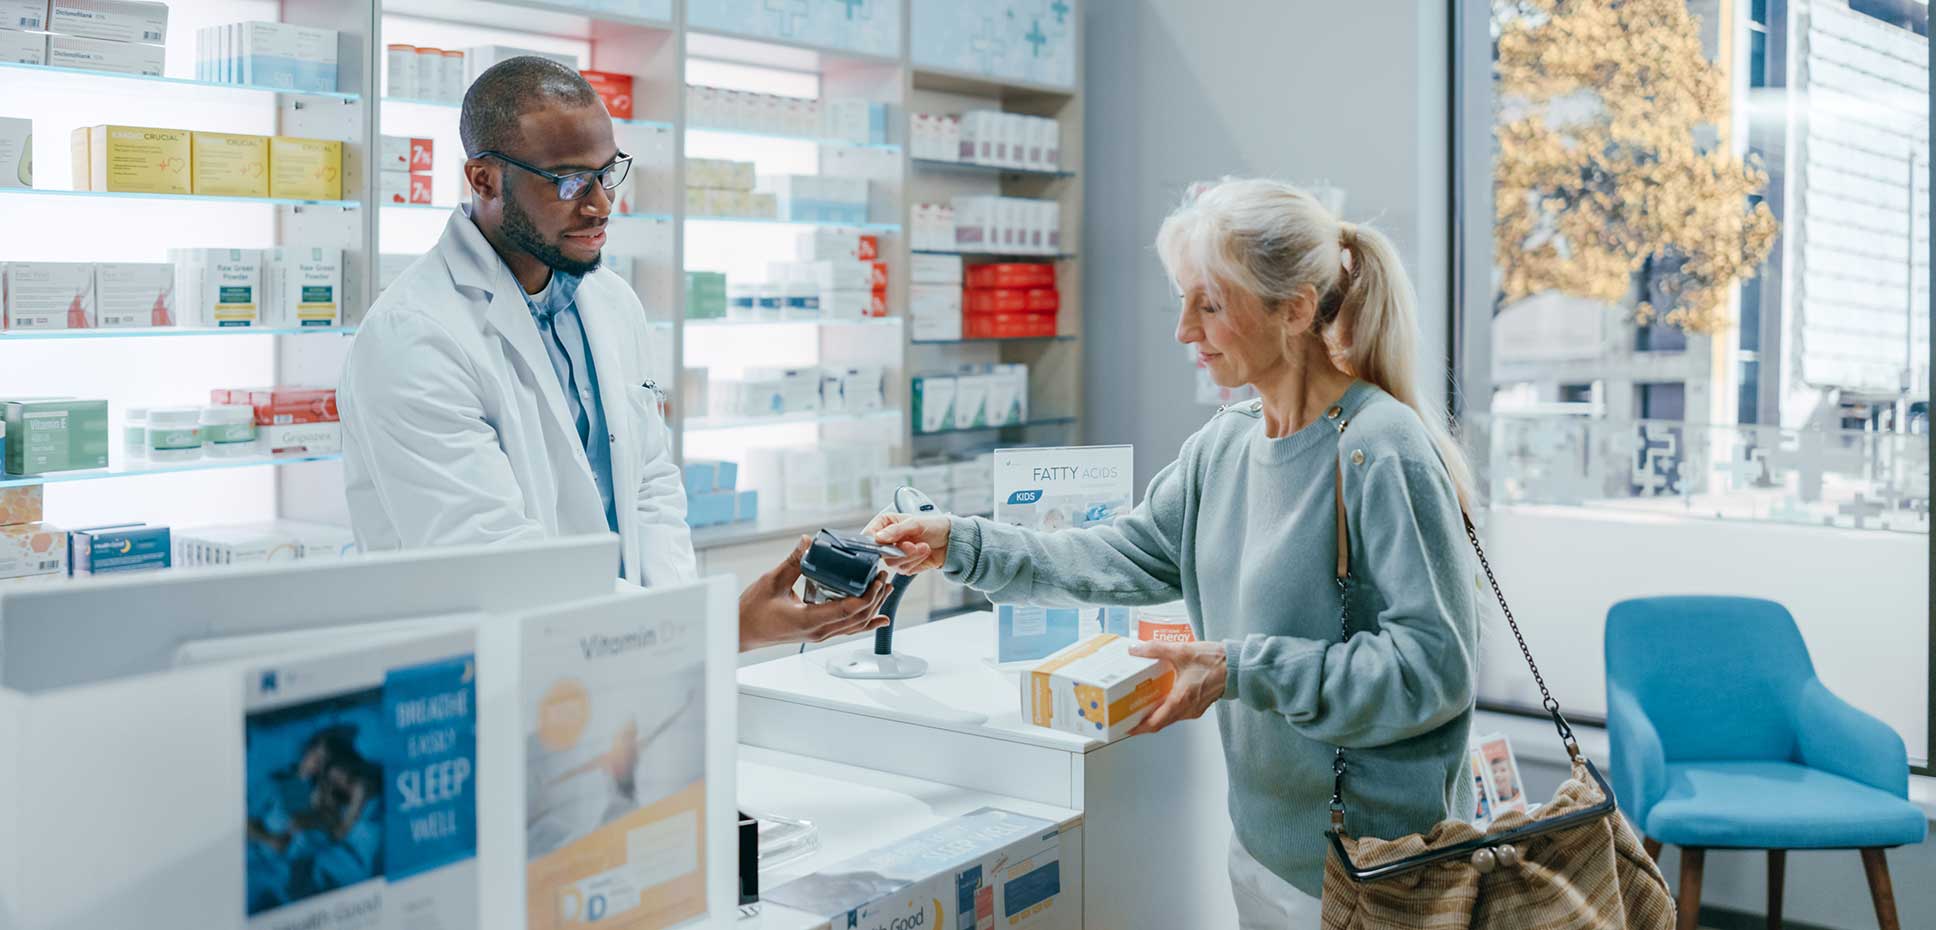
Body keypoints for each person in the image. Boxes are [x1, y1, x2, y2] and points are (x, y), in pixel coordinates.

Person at [871, 178, 1481, 925]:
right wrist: (960, 543)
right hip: (1266, 854)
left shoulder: (1381, 452)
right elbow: (1119, 555)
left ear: (1293, 309)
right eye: (1184, 300)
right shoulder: (1224, 445)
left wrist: (1240, 668)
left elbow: (1434, 671)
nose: (1185, 331)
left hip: (1385, 874)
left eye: (1211, 305)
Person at [340, 57, 887, 650]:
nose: (601, 205)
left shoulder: (609, 301)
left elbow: (649, 482)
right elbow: (490, 561)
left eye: (608, 173)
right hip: (480, 673)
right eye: (570, 181)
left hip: (624, 659)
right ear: (484, 180)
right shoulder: (413, 336)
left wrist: (671, 629)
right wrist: (707, 629)